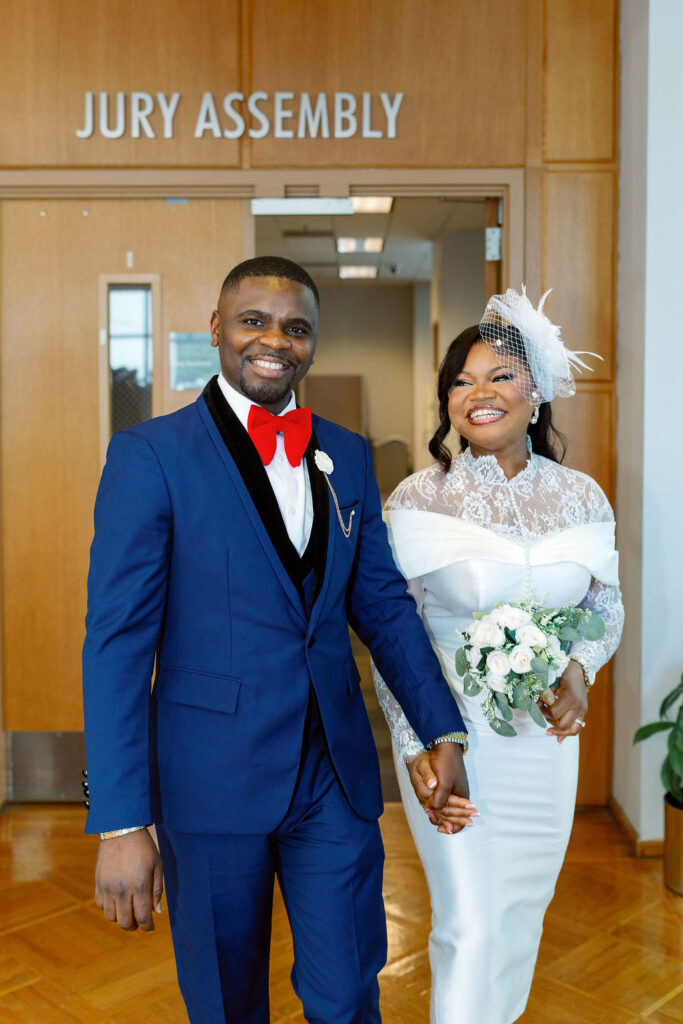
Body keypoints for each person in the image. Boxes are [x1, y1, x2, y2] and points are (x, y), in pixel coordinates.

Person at [82, 255, 475, 1024]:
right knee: (227, 1004)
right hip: (209, 781)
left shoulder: (346, 454)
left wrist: (441, 728)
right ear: (216, 330)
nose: (274, 341)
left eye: (295, 328)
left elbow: (382, 606)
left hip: (332, 773)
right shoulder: (151, 456)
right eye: (253, 321)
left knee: (347, 993)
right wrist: (122, 821)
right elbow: (117, 646)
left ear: (313, 342)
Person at [373, 287, 624, 1024]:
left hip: (543, 748)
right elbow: (393, 635)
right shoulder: (418, 499)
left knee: (517, 920)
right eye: (461, 381)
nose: (478, 393)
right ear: (447, 401)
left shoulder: (582, 497)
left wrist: (578, 672)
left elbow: (603, 607)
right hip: (454, 740)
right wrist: (422, 742)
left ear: (536, 392)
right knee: (471, 925)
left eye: (499, 376)